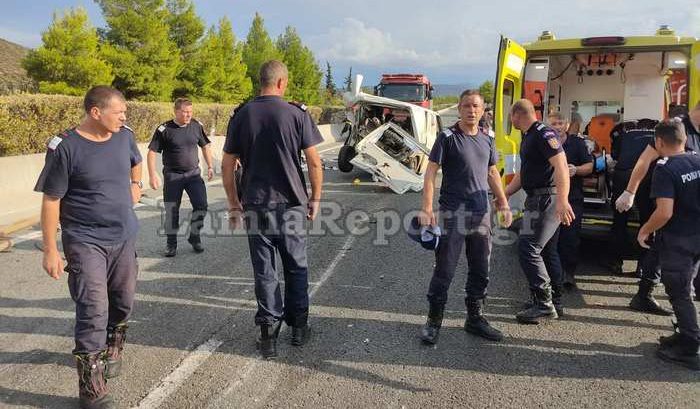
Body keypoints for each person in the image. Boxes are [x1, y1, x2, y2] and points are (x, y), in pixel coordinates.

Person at [34, 85, 142, 409]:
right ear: (96, 113)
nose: (124, 116)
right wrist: (51, 249)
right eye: (118, 111)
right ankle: (91, 388)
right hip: (84, 241)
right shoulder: (65, 146)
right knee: (93, 310)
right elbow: (51, 200)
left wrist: (136, 184)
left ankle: (114, 345)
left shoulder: (125, 136)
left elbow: (135, 162)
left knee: (123, 301)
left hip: (124, 236)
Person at [222, 60, 324, 359]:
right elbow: (315, 162)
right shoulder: (296, 114)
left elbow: (228, 164)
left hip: (255, 204)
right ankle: (298, 328)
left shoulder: (241, 115)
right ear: (282, 83)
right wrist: (315, 199)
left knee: (264, 270)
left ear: (261, 82)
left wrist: (232, 203)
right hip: (291, 205)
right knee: (296, 266)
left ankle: (268, 334)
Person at [418, 90, 512, 344]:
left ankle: (475, 319)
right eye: (467, 106)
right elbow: (430, 173)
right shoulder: (447, 138)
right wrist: (427, 208)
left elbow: (492, 172)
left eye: (476, 106)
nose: (472, 110)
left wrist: (503, 203)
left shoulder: (488, 138)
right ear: (459, 108)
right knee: (445, 270)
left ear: (483, 111)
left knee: (481, 268)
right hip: (452, 215)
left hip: (481, 215)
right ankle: (433, 322)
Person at [614, 108, 700, 315]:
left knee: (663, 246)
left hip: (687, 202)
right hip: (665, 195)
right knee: (661, 242)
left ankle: (646, 293)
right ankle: (648, 293)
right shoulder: (677, 127)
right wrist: (629, 191)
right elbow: (644, 160)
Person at [636, 119, 700, 370]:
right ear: (684, 139)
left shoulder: (665, 168)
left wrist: (644, 230)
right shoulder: (697, 160)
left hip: (679, 240)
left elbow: (664, 212)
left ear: (659, 142)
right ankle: (685, 334)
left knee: (678, 291)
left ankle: (689, 346)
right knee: (687, 287)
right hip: (696, 236)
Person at [505, 99, 575, 324]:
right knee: (547, 251)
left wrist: (563, 200)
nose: (510, 120)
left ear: (516, 115)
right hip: (539, 198)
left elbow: (561, 165)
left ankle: (544, 304)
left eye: (510, 117)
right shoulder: (529, 135)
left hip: (546, 200)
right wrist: (504, 193)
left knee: (528, 248)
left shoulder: (543, 133)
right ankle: (551, 300)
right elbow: (525, 172)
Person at [147, 98, 214, 257]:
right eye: (185, 112)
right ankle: (171, 244)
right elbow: (151, 152)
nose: (188, 115)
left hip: (193, 174)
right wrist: (152, 174)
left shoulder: (196, 126)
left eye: (190, 112)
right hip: (172, 175)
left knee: (202, 206)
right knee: (172, 210)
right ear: (176, 111)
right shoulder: (164, 129)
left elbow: (205, 145)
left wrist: (210, 166)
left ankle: (194, 236)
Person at [549, 112, 593, 289]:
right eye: (554, 124)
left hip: (573, 198)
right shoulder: (545, 142)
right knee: (550, 238)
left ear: (567, 125)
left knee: (570, 238)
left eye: (561, 123)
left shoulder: (578, 143)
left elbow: (589, 166)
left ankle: (568, 273)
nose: (558, 127)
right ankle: (552, 275)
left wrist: (577, 169)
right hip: (550, 197)